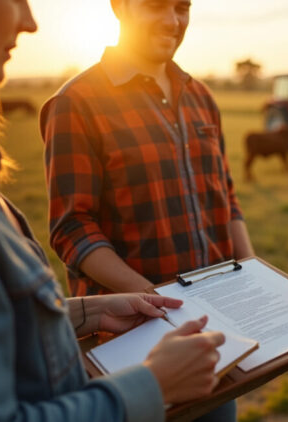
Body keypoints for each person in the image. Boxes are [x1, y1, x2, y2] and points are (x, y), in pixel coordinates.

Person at [0, 1, 225, 420]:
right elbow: (72, 226)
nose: (31, 21)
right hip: (141, 363)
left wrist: (89, 311)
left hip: (197, 332)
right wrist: (151, 384)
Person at [39, 0, 253, 298]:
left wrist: (254, 273)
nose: (172, 22)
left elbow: (226, 197)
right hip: (133, 325)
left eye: (182, 8)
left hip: (222, 306)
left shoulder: (201, 97)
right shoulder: (75, 103)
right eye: (156, 5)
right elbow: (73, 228)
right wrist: (158, 301)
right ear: (119, 7)